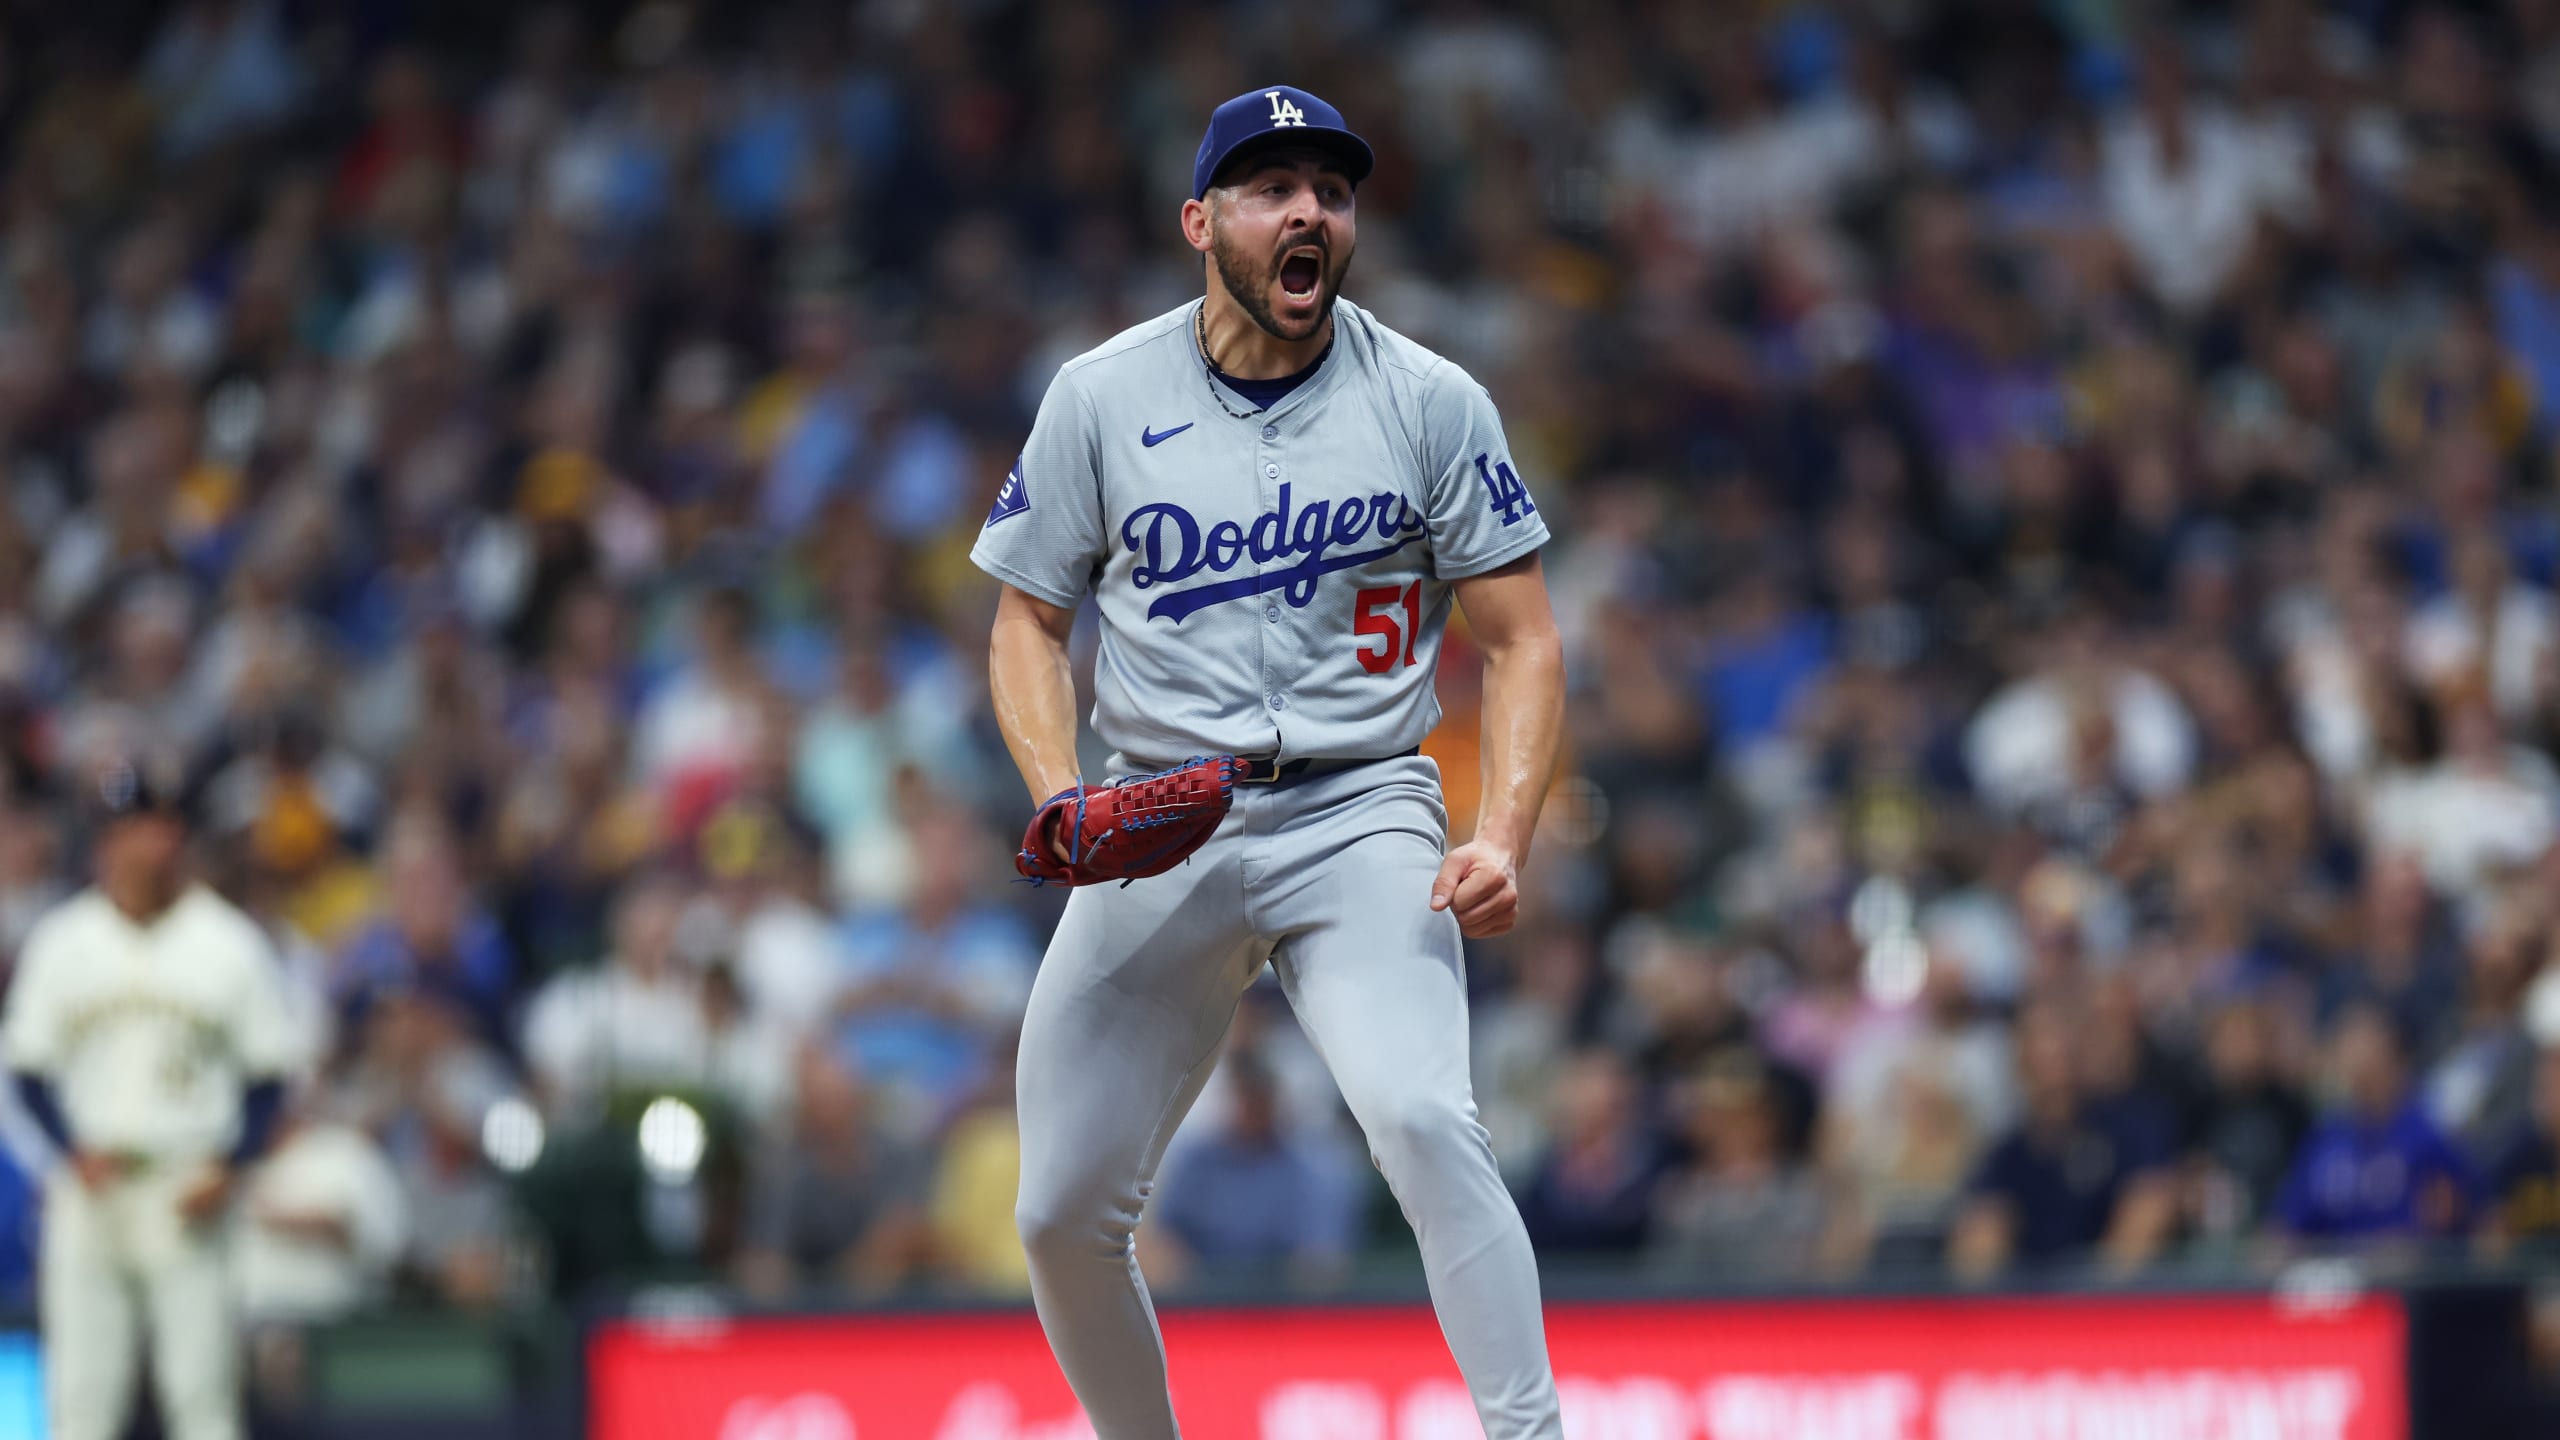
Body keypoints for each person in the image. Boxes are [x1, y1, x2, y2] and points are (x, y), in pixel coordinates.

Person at [972, 86, 1568, 1437]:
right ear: (1200, 222)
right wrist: (1057, 790)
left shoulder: (1430, 399)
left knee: (1423, 1119)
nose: (1309, 211)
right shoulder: (1100, 396)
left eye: (1331, 192)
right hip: (1159, 814)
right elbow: (1025, 620)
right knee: (1058, 1212)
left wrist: (1501, 831)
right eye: (1272, 188)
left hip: (1359, 808)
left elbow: (1523, 638)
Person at [3, 761, 301, 1440]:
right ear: (104, 843)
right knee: (82, 1402)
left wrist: (231, 1165)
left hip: (186, 1184)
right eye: (125, 830)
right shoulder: (63, 940)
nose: (141, 845)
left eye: (153, 828)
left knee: (201, 1400)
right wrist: (68, 1151)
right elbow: (29, 1070)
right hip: (93, 1186)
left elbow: (269, 1076)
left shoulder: (227, 942)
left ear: (175, 837)